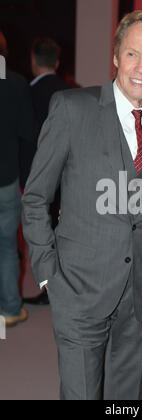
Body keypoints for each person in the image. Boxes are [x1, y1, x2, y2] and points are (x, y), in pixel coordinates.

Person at [22, 11, 142, 400]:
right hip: (77, 289)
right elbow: (35, 198)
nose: (141, 68)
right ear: (115, 56)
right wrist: (49, 276)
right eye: (132, 54)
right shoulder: (71, 109)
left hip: (141, 296)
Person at [23, 37, 73, 306]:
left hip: (35, 172)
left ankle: (50, 285)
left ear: (33, 60)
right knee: (58, 225)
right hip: (68, 173)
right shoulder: (69, 91)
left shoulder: (27, 93)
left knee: (41, 222)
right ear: (56, 61)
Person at [0, 30, 36, 327]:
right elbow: (28, 130)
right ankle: (11, 308)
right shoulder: (15, 83)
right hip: (6, 178)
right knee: (7, 246)